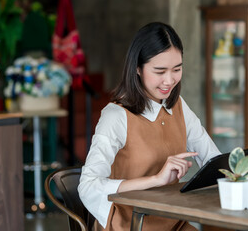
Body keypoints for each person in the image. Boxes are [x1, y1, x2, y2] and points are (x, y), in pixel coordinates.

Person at [78, 22, 221, 231]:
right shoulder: (116, 116)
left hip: (173, 221)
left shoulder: (178, 105)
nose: (169, 80)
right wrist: (155, 179)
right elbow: (88, 185)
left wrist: (243, 175)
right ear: (137, 68)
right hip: (131, 224)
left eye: (177, 69)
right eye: (159, 71)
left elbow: (212, 160)